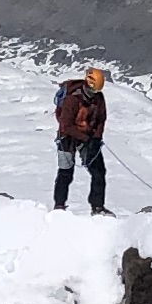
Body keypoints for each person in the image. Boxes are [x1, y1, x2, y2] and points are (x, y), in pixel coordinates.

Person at [53, 63, 109, 214]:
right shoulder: (72, 99)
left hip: (88, 138)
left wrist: (96, 139)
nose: (94, 93)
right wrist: (87, 139)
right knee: (65, 172)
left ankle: (97, 207)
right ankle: (59, 206)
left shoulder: (98, 97)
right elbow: (66, 125)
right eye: (93, 89)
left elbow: (101, 119)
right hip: (68, 138)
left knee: (99, 172)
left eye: (97, 90)